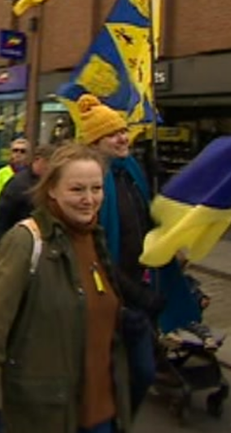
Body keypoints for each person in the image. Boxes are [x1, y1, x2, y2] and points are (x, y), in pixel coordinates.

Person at [0, 144, 133, 433]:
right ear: (52, 189)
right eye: (77, 189)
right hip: (43, 415)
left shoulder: (96, 239)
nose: (89, 199)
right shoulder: (26, 242)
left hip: (102, 414)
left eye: (96, 188)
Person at [77, 94, 185, 414]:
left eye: (124, 130)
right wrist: (136, 294)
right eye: (114, 133)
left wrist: (170, 248)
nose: (123, 137)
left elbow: (148, 221)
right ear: (96, 141)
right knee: (114, 375)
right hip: (115, 294)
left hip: (140, 287)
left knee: (142, 371)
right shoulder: (93, 182)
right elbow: (98, 249)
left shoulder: (132, 171)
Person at [0, 143, 55, 244]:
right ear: (38, 160)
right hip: (17, 241)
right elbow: (2, 218)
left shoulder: (46, 182)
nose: (51, 169)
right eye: (49, 163)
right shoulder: (19, 185)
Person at [0, 138, 31, 203]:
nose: (18, 153)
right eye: (15, 150)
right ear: (11, 153)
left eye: (22, 151)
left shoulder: (31, 173)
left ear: (27, 155)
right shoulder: (2, 172)